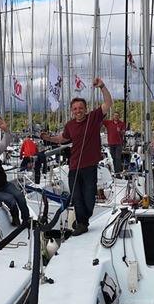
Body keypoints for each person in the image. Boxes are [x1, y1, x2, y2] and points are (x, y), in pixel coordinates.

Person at [40, 78, 112, 236]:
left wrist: (102, 87)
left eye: (80, 108)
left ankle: (82, 219)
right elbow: (63, 139)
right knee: (76, 196)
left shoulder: (93, 118)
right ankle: (82, 223)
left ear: (85, 109)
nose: (78, 110)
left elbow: (108, 103)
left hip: (90, 165)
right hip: (74, 165)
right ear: (72, 111)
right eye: (75, 108)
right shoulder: (70, 125)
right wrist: (49, 138)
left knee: (88, 196)